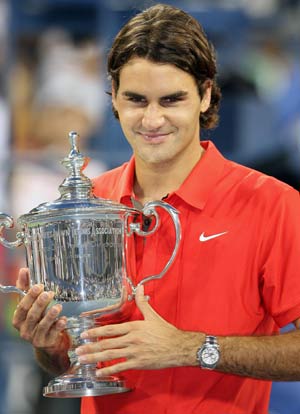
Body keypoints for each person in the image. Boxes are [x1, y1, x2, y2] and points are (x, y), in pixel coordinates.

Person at [12, 4, 300, 414]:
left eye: (171, 99)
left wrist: (193, 348)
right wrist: (52, 345)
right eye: (135, 100)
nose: (152, 119)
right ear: (113, 95)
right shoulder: (89, 203)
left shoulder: (273, 204)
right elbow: (68, 360)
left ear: (204, 94)